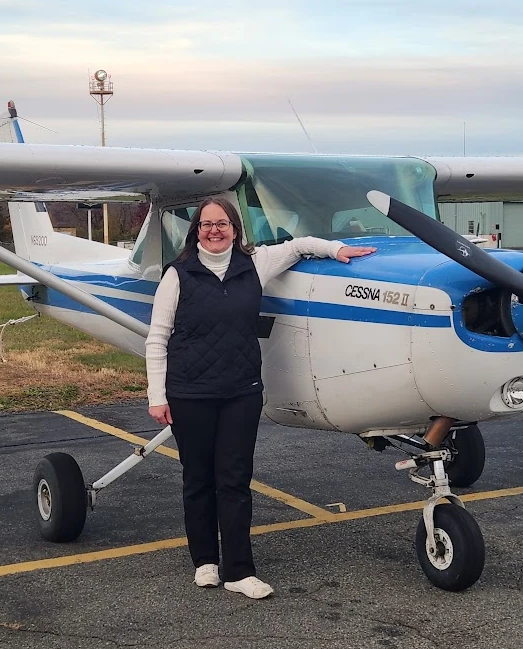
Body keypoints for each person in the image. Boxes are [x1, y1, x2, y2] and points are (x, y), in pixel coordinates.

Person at [146, 196, 376, 600]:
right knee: (198, 480)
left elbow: (299, 245)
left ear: (236, 229)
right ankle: (205, 562)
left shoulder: (255, 263)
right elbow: (157, 338)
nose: (214, 231)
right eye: (206, 225)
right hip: (190, 393)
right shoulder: (178, 275)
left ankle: (238, 570)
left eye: (222, 224)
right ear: (195, 231)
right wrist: (156, 395)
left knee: (233, 480)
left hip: (241, 392)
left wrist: (337, 249)